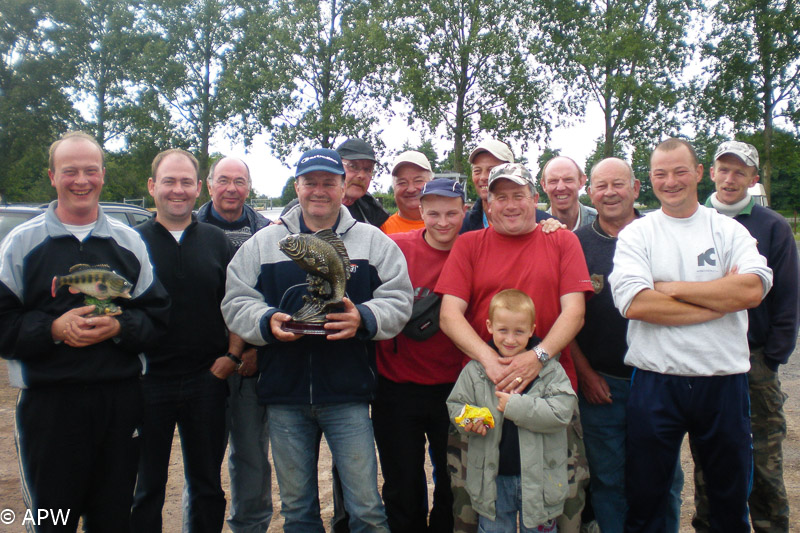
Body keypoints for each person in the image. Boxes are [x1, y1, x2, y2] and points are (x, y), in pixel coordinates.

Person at [221, 148, 413, 533]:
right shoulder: (264, 242)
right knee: (298, 511)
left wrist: (364, 317)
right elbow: (235, 300)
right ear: (298, 187)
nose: (319, 191)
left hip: (348, 395)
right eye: (311, 183)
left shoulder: (372, 242)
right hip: (285, 397)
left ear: (344, 188)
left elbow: (400, 299)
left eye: (329, 182)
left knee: (367, 510)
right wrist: (265, 321)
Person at [0, 131, 170, 531]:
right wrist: (54, 328)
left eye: (90, 171)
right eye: (70, 171)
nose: (81, 180)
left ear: (103, 176)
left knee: (112, 519)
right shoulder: (21, 244)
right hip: (49, 406)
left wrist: (119, 326)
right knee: (51, 520)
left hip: (119, 403)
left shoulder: (129, 242)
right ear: (52, 176)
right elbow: (3, 323)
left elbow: (157, 319)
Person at [609, 138, 773, 532]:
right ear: (649, 180)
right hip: (655, 383)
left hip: (723, 382)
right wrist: (720, 300)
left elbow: (752, 290)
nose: (671, 182)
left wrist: (669, 287)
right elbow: (635, 304)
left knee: (728, 502)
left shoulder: (728, 231)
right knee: (646, 498)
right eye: (661, 174)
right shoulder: (638, 234)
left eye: (680, 171)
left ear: (700, 173)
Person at [437, 162, 593, 533]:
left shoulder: (562, 241)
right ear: (487, 204)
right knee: (476, 502)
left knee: (558, 504)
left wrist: (537, 358)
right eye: (500, 197)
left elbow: (575, 312)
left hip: (550, 395)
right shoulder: (469, 244)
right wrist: (491, 361)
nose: (509, 205)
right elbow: (449, 315)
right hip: (480, 393)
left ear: (534, 199)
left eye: (518, 195)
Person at [690, 141, 800, 533]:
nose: (731, 178)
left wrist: (771, 358)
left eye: (740, 172)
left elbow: (787, 297)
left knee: (764, 463)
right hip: (706, 358)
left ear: (753, 179)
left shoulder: (772, 226)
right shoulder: (694, 220)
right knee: (710, 460)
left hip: (754, 360)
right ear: (711, 172)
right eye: (725, 169)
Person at [131, 149, 242, 532]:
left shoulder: (216, 240)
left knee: (207, 487)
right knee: (146, 489)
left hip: (206, 381)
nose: (176, 190)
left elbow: (234, 304)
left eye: (185, 182)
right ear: (152, 186)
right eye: (168, 181)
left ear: (198, 188)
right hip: (148, 384)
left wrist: (233, 355)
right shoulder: (130, 243)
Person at [571, 158, 681, 533]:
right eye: (601, 186)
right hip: (602, 385)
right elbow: (566, 318)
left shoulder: (663, 234)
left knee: (663, 477)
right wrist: (585, 374)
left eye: (618, 184)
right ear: (590, 193)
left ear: (636, 189)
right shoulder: (577, 244)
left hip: (659, 380)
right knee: (608, 480)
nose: (610, 193)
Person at [373, 178, 466, 532]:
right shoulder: (393, 246)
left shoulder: (474, 248)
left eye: (452, 213)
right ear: (420, 212)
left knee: (454, 480)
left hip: (456, 389)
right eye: (434, 213)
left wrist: (549, 222)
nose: (443, 222)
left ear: (464, 211)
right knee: (402, 482)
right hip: (396, 385)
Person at [447, 289, 576, 533]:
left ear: (532, 330)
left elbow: (561, 412)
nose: (510, 339)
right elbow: (456, 406)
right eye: (503, 330)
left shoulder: (550, 370)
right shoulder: (476, 371)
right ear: (489, 326)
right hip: (493, 482)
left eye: (519, 332)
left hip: (540, 484)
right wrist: (471, 420)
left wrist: (515, 407)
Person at [196, 156, 273, 533]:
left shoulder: (267, 232)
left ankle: (250, 527)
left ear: (249, 187)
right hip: (201, 365)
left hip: (249, 365)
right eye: (223, 180)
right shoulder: (189, 230)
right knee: (201, 462)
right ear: (208, 186)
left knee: (252, 457)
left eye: (239, 181)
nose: (231, 188)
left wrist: (255, 348)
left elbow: (272, 299)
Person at [282, 138, 390, 228]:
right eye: (353, 166)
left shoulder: (375, 213)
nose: (361, 175)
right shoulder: (294, 212)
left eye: (368, 169)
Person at [462, 139, 551, 233]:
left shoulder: (546, 224)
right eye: (477, 171)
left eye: (491, 170)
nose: (483, 177)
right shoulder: (462, 226)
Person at [380, 150, 432, 234]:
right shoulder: (380, 231)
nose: (411, 189)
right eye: (402, 183)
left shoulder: (450, 227)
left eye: (418, 181)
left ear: (432, 183)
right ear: (394, 188)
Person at [542, 156, 597, 230]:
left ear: (581, 181)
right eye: (553, 181)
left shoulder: (601, 223)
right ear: (544, 185)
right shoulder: (537, 227)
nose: (560, 187)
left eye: (568, 180)